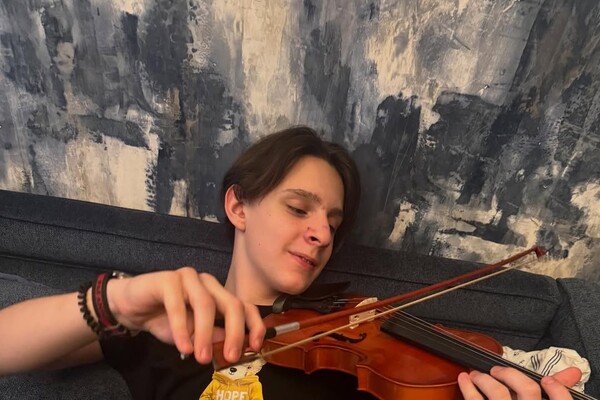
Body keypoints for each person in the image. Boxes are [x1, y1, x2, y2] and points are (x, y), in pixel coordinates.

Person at [0, 126, 583, 399]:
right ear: (239, 206)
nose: (321, 234)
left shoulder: (352, 341)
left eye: (333, 222)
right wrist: (116, 300)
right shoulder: (172, 321)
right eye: (299, 208)